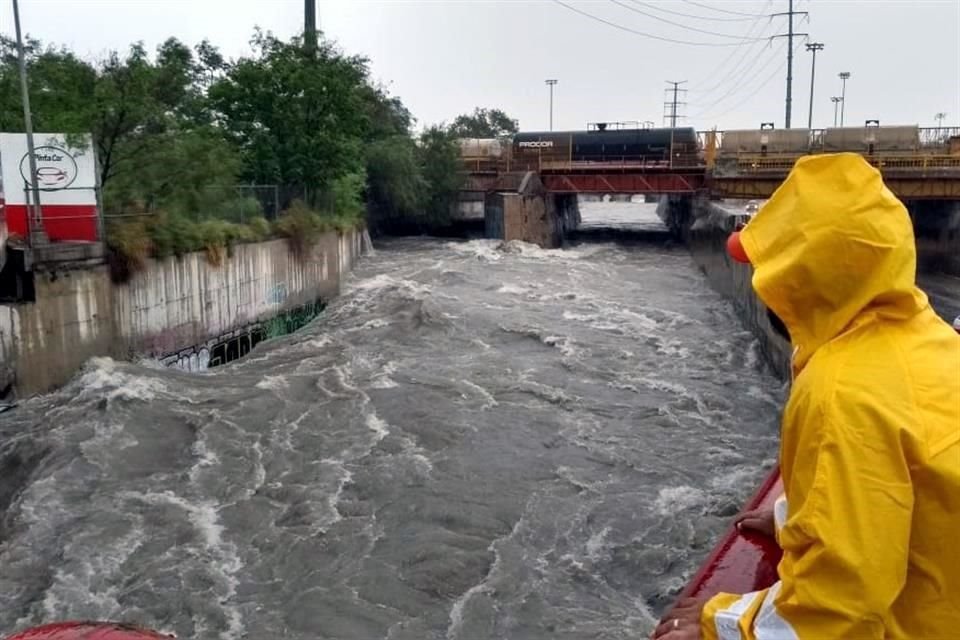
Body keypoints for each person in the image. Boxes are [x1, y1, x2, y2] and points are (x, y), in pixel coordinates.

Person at [653, 153, 960, 640]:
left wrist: (723, 623)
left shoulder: (843, 394)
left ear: (797, 281)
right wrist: (795, 519)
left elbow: (838, 608)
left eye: (767, 270)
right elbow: (902, 496)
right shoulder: (930, 339)